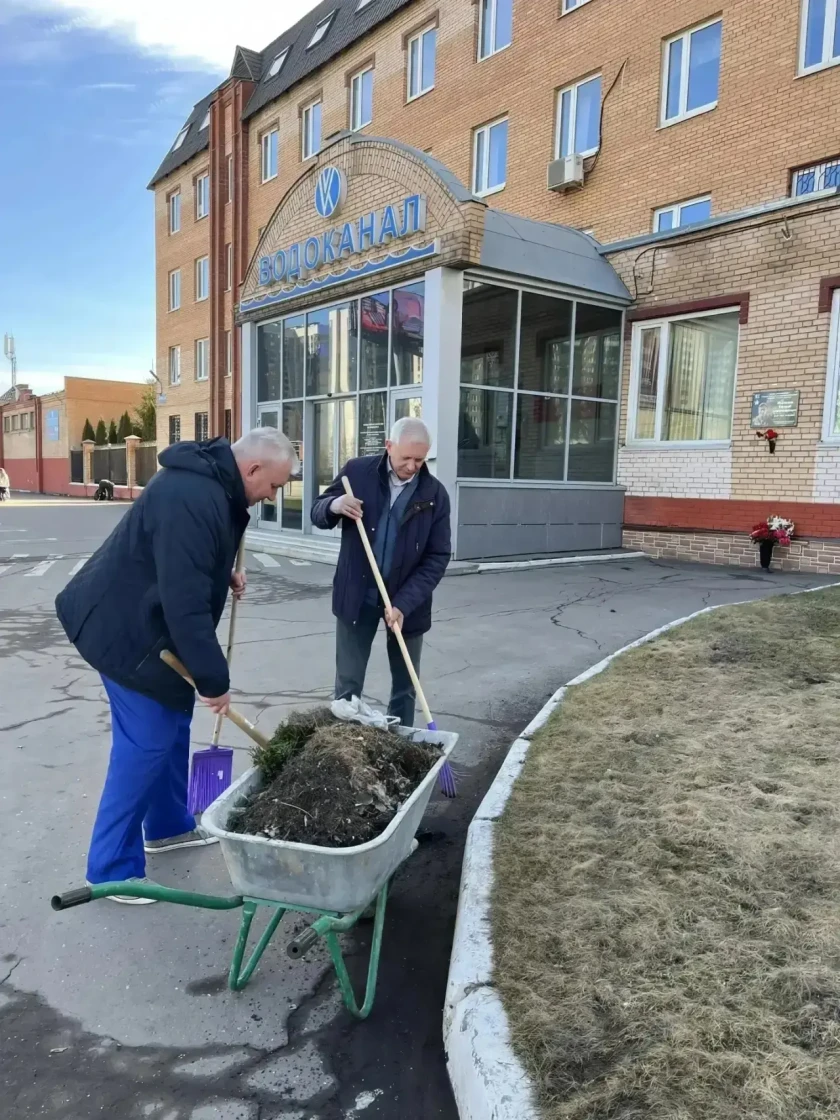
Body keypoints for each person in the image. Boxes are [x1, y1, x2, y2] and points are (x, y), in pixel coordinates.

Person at [55, 428, 298, 903]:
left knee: (172, 724)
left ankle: (167, 827)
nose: (274, 496)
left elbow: (185, 561)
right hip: (126, 634)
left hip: (153, 628)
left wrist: (220, 568)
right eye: (274, 485)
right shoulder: (191, 496)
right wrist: (214, 680)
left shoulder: (217, 485)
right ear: (251, 470)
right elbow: (182, 604)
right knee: (145, 743)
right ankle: (111, 870)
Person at [311, 417, 451, 727]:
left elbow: (438, 557)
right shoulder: (357, 473)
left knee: (405, 687)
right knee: (347, 689)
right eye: (407, 458)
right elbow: (317, 512)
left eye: (421, 459)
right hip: (357, 596)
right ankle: (346, 750)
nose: (413, 466)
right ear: (389, 447)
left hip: (407, 605)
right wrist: (334, 505)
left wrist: (404, 603)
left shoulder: (434, 494)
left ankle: (400, 748)